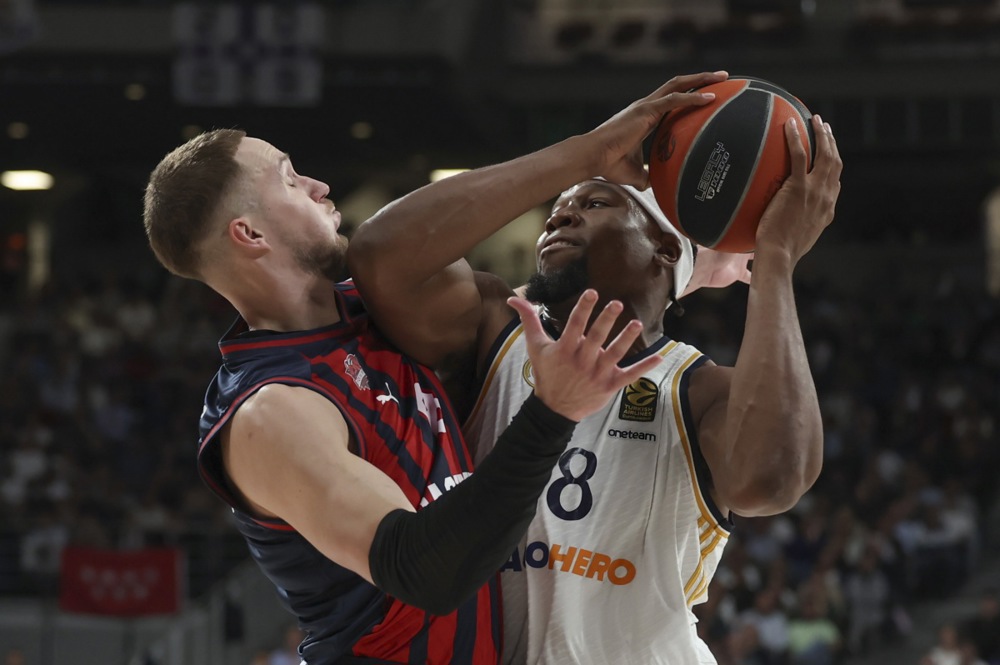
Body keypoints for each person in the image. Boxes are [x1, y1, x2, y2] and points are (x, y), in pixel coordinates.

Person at [347, 70, 842, 663]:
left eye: (595, 202)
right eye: (557, 209)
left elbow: (771, 482)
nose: (559, 216)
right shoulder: (492, 328)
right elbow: (380, 255)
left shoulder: (700, 389)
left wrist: (776, 259)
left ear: (664, 248)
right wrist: (587, 153)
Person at [142, 130, 665, 664]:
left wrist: (682, 263)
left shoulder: (373, 310)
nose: (319, 186)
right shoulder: (269, 411)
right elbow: (425, 572)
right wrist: (551, 413)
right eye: (290, 179)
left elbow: (539, 310)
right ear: (250, 233)